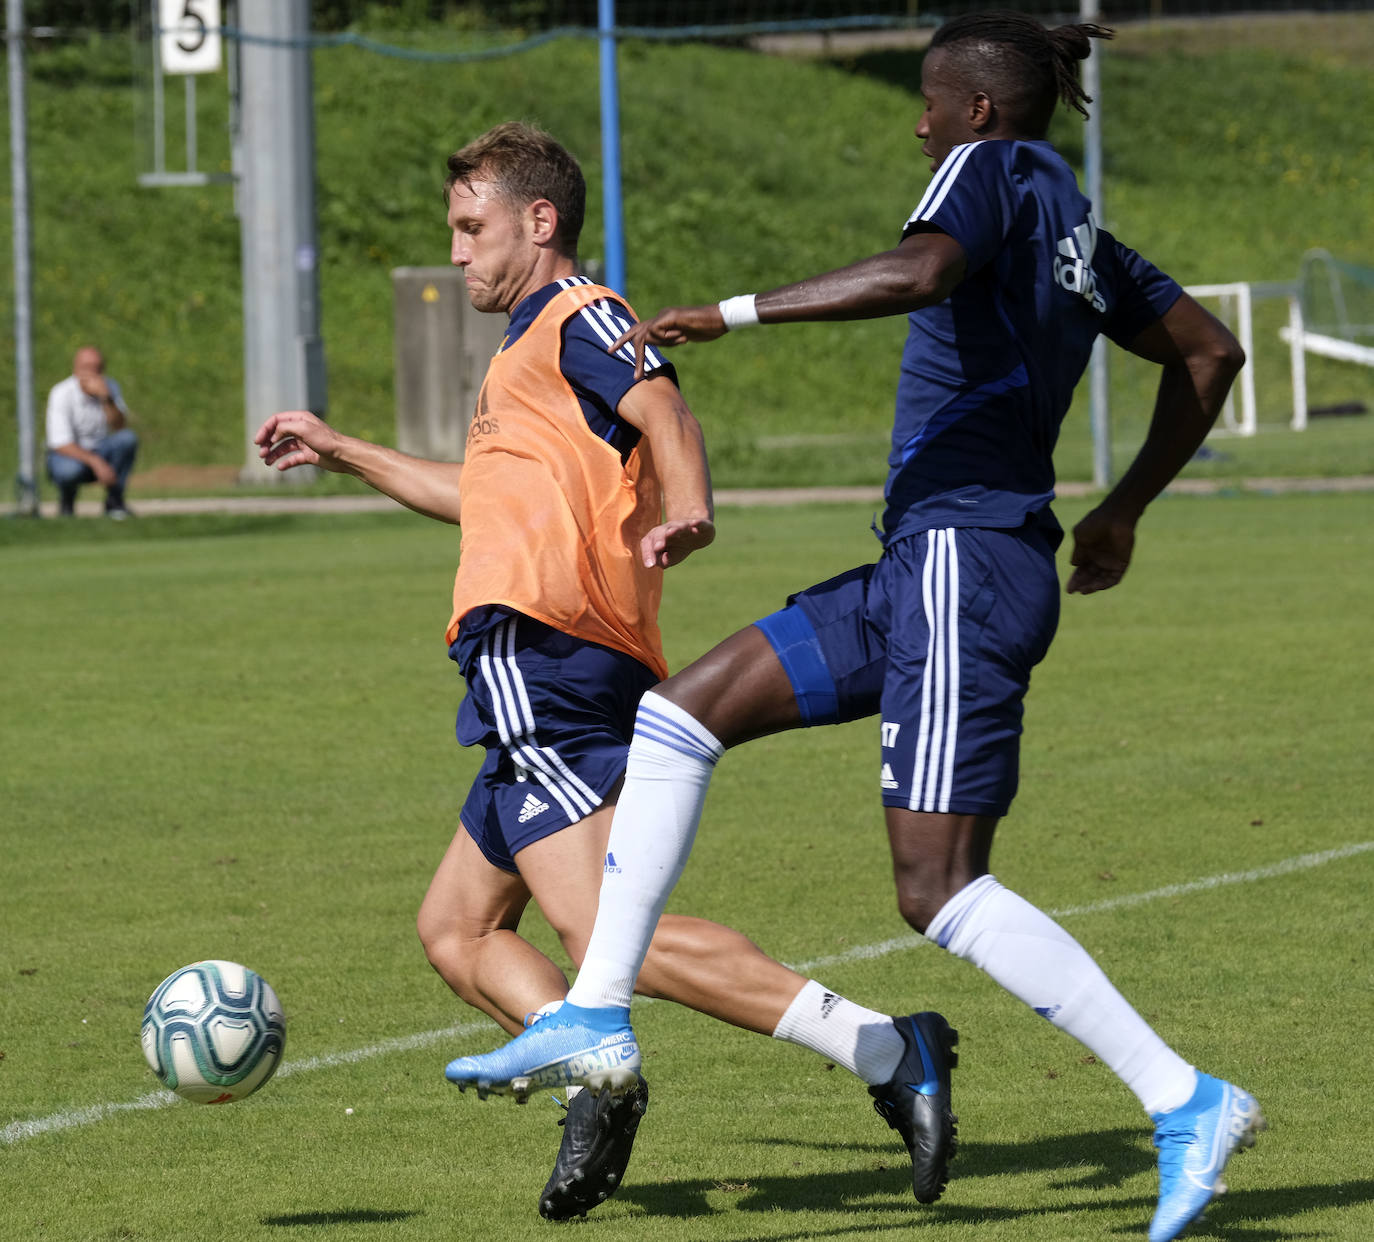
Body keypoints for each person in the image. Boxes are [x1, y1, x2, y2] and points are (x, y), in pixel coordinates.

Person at [442, 18, 1266, 1242]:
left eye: (933, 106)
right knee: (678, 717)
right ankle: (600, 1008)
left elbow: (922, 270)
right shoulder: (1078, 228)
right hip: (922, 568)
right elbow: (1210, 349)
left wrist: (735, 310)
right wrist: (1123, 513)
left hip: (959, 567)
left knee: (936, 889)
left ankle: (1184, 1096)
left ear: (979, 111)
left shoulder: (983, 174)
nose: (919, 124)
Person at [255, 122, 962, 1220]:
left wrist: (692, 506)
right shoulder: (523, 355)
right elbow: (474, 497)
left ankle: (883, 1050)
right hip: (523, 678)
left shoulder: (580, 314)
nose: (457, 250)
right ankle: (601, 1075)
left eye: (471, 226)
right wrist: (343, 448)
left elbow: (663, 406)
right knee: (459, 931)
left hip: (554, 659)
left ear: (539, 224)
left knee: (601, 939)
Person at [45, 346, 139, 518]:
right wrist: (95, 462)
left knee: (128, 439)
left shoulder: (110, 387)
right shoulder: (61, 393)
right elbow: (59, 443)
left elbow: (120, 427)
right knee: (68, 470)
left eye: (97, 368)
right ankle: (67, 501)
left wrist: (106, 399)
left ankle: (115, 501)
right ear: (75, 369)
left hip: (101, 449)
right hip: (70, 455)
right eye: (86, 367)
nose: (92, 373)